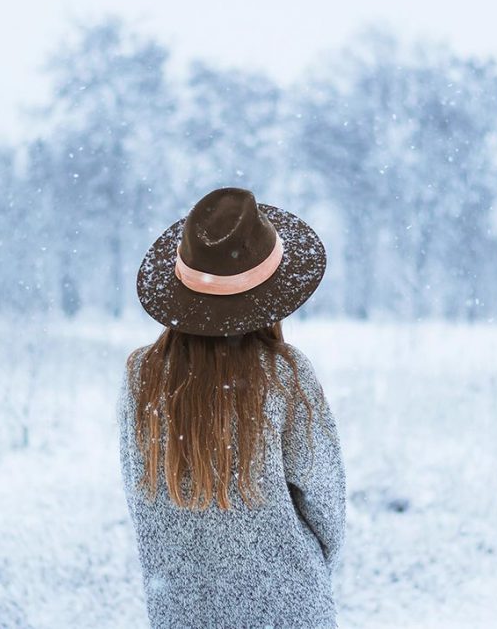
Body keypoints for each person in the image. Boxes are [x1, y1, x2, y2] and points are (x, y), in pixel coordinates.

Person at [117, 187, 346, 628]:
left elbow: (138, 493)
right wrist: (300, 568)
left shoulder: (140, 377)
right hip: (287, 608)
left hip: (180, 609)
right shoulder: (285, 375)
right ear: (271, 298)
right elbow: (325, 503)